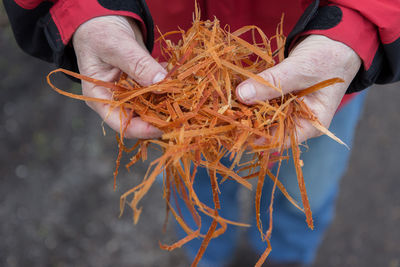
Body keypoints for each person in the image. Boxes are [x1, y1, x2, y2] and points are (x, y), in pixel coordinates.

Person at [3, 0, 400, 266]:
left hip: (316, 84)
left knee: (303, 190)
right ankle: (208, 258)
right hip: (173, 88)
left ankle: (289, 258)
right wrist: (88, 7)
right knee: (197, 192)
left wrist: (355, 28)